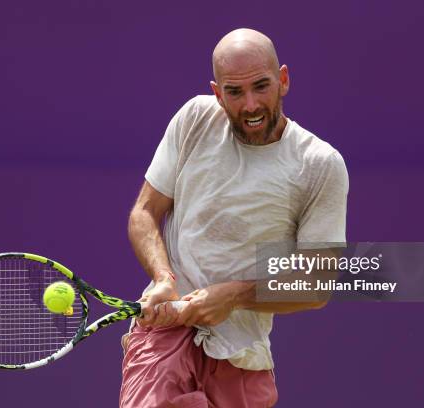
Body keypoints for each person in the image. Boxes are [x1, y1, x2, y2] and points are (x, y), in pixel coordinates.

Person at [120, 28, 348, 408]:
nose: (251, 105)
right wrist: (163, 278)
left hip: (243, 357)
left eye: (261, 87)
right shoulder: (194, 119)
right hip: (164, 340)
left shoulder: (320, 165)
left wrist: (234, 296)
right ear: (216, 92)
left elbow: (317, 282)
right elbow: (144, 212)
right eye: (235, 92)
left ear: (284, 80)